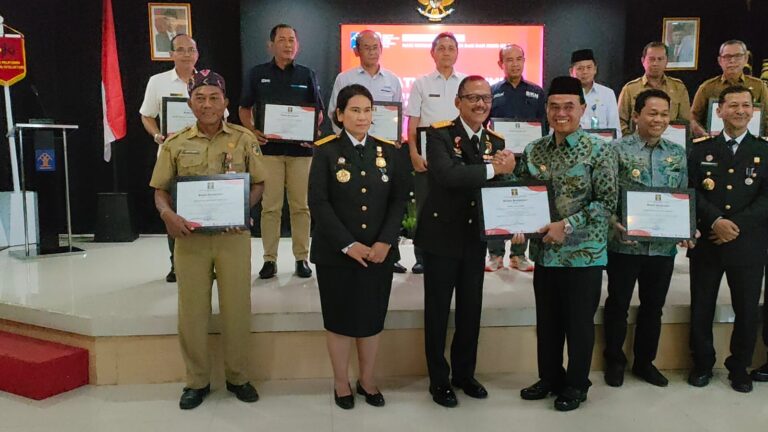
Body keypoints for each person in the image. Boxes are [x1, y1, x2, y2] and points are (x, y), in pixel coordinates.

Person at [149, 70, 265, 409]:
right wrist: (167, 215)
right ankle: (196, 381)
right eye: (200, 98)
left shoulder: (245, 140)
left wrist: (242, 208)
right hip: (190, 241)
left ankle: (238, 376)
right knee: (192, 312)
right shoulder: (175, 142)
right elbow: (159, 190)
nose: (207, 104)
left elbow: (259, 183)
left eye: (214, 97)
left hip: (233, 237)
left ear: (226, 102)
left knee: (237, 310)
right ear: (190, 103)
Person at [415, 75, 518, 408]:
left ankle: (464, 374)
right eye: (472, 98)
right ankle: (439, 380)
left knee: (471, 311)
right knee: (438, 312)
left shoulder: (495, 141)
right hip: (442, 237)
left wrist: (515, 221)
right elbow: (448, 175)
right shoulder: (440, 134)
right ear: (458, 102)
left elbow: (501, 191)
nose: (480, 104)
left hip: (475, 239)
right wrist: (494, 172)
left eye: (486, 98)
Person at [517, 76, 617, 412]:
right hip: (545, 255)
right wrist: (515, 224)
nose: (561, 113)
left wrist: (567, 225)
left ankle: (576, 384)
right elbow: (519, 193)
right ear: (546, 109)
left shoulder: (600, 150)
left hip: (583, 256)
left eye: (569, 107)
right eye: (555, 106)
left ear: (582, 109)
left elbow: (606, 203)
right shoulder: (534, 149)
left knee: (577, 324)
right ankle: (549, 378)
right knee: (547, 323)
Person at [308, 84, 409, 410]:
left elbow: (398, 202)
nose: (362, 116)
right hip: (336, 254)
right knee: (339, 320)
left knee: (371, 318)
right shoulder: (325, 151)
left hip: (378, 254)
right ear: (339, 115)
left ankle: (367, 379)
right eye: (354, 110)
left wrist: (385, 242)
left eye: (367, 110)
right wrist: (347, 244)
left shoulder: (389, 151)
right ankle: (341, 382)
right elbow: (318, 203)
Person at [603, 89, 694, 388]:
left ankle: (645, 362)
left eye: (664, 114)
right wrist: (614, 223)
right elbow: (607, 196)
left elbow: (681, 193)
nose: (659, 119)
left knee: (654, 306)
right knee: (618, 304)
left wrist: (684, 227)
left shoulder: (676, 153)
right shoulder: (616, 150)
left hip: (662, 247)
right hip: (625, 244)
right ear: (636, 116)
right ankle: (614, 361)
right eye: (652, 113)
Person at [687, 85, 768, 393]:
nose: (740, 111)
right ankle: (702, 363)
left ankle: (739, 367)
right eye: (733, 105)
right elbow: (692, 190)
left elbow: (766, 198)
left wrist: (734, 225)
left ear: (753, 111)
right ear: (718, 111)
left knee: (747, 309)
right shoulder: (700, 149)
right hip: (709, 239)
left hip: (748, 244)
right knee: (702, 306)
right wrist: (717, 221)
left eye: (746, 105)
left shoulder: (764, 150)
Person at [239, 24, 324, 280]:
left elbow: (317, 113)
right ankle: (269, 259)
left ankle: (301, 258)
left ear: (297, 45)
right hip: (269, 151)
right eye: (282, 40)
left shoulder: (307, 74)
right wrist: (253, 131)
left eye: (292, 40)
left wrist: (311, 132)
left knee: (301, 207)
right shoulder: (257, 74)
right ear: (271, 45)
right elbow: (244, 108)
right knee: (270, 207)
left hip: (300, 152)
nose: (288, 45)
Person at [327, 30, 408, 274]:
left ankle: (388, 252)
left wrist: (395, 139)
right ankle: (352, 245)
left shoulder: (393, 80)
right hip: (349, 151)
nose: (372, 51)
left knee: (384, 198)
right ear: (356, 51)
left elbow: (398, 117)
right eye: (366, 47)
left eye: (376, 47)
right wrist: (346, 143)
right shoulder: (345, 77)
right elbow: (334, 113)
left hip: (383, 153)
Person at [140, 34, 200, 283]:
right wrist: (156, 135)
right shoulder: (158, 81)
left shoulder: (207, 80)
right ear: (171, 54)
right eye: (181, 50)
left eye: (191, 49)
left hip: (205, 156)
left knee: (202, 208)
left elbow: (223, 115)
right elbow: (146, 115)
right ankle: (176, 264)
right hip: (171, 156)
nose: (186, 54)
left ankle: (204, 262)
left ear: (197, 53)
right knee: (173, 209)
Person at [405, 32, 467, 274]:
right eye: (441, 48)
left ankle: (456, 251)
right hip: (426, 154)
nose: (447, 52)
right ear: (432, 53)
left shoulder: (465, 84)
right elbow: (412, 124)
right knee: (424, 206)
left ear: (457, 53)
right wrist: (412, 152)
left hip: (458, 154)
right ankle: (421, 256)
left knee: (458, 205)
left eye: (451, 48)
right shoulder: (421, 83)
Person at [485, 43, 544, 272]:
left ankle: (518, 255)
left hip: (527, 158)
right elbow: (485, 125)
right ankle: (495, 254)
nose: (515, 63)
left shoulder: (536, 92)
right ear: (501, 64)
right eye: (509, 60)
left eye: (519, 58)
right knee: (497, 202)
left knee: (524, 203)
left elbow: (544, 125)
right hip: (499, 158)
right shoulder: (492, 91)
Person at [690, 40, 768, 137]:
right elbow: (693, 118)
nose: (732, 60)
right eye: (727, 57)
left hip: (751, 145)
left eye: (738, 56)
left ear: (746, 58)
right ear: (720, 60)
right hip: (716, 145)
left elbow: (766, 118)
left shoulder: (759, 86)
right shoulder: (707, 87)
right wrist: (703, 134)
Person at [617, 41, 691, 136]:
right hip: (637, 145)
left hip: (669, 144)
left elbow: (685, 122)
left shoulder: (678, 87)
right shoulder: (630, 89)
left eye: (660, 59)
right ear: (643, 61)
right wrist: (631, 141)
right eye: (651, 59)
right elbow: (619, 121)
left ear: (666, 62)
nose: (655, 63)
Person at [569, 49, 621, 137]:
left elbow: (616, 130)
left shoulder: (607, 94)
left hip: (602, 147)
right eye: (580, 68)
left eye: (589, 67)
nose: (585, 72)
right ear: (571, 72)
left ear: (595, 69)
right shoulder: (564, 95)